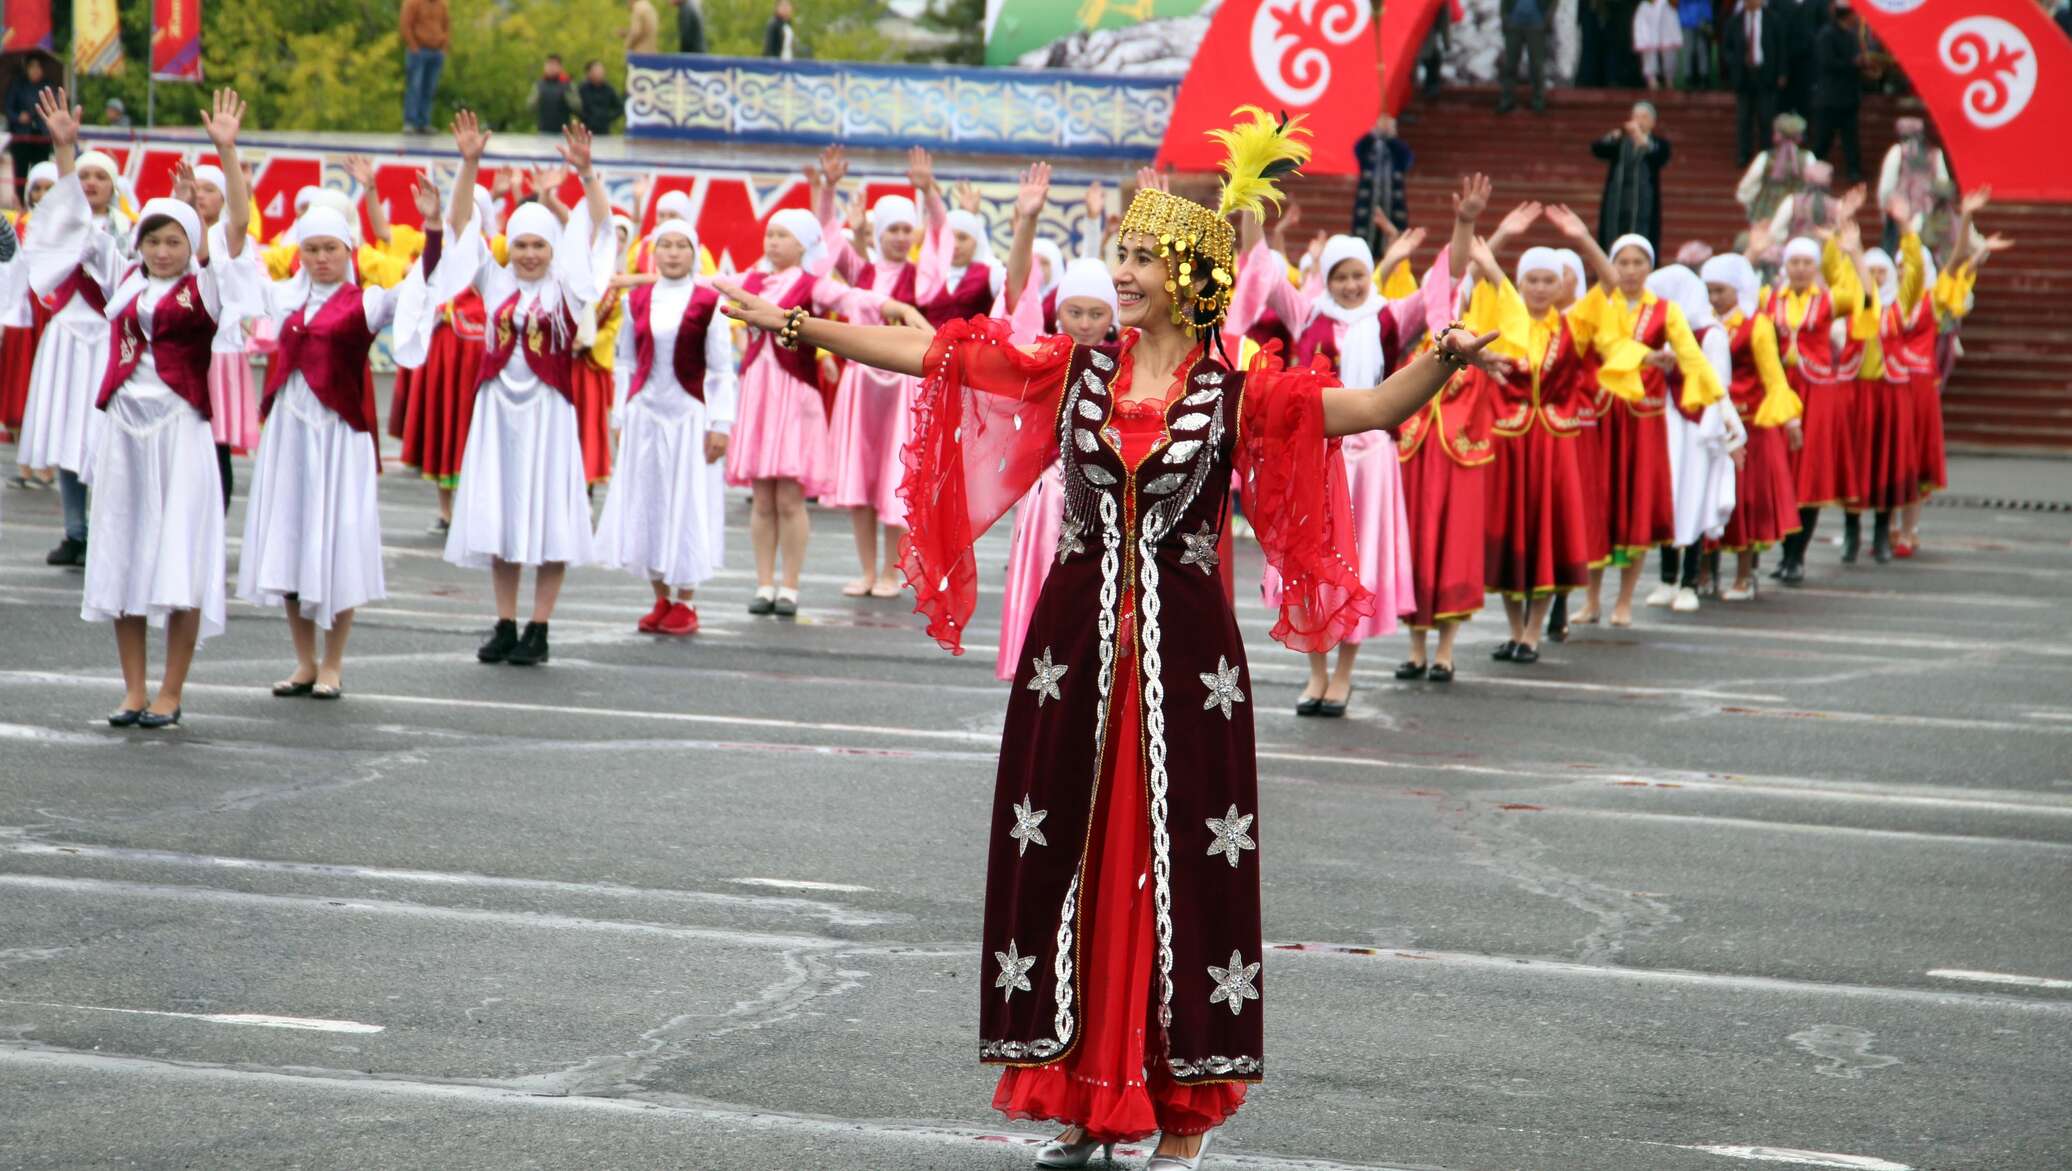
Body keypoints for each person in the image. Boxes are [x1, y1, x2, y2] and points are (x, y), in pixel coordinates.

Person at [717, 106, 1499, 1171]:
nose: (1120, 273)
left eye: (1138, 258)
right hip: (1070, 660)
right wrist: (797, 326)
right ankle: (1085, 1102)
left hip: (1186, 665)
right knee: (1071, 858)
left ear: (1186, 275)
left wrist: (1443, 362)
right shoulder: (1073, 370)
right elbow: (930, 352)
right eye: (1119, 256)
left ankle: (1177, 1120)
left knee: (1177, 863)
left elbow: (1360, 411)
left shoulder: (1239, 391)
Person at [30, 87, 248, 729]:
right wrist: (66, 149)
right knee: (122, 550)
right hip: (123, 428)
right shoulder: (122, 277)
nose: (160, 249)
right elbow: (74, 225)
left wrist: (227, 152)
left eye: (173, 238)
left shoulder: (208, 285)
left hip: (182, 430)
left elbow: (235, 226)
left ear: (190, 242)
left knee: (178, 555)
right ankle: (132, 689)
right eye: (152, 238)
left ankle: (171, 693)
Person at [1231, 194, 1469, 712]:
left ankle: (1344, 673)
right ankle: (1315, 668)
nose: (1350, 285)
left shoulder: (1389, 319)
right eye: (1340, 276)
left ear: (1370, 274)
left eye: (1358, 275)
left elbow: (1444, 283)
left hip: (1370, 461)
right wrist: (1250, 205)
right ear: (1327, 279)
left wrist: (1465, 223)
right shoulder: (1305, 314)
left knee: (1355, 566)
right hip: (1310, 456)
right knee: (1308, 562)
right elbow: (1262, 269)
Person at [225, 166, 441, 701]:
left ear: (349, 251)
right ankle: (303, 660)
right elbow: (230, 259)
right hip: (290, 437)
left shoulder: (367, 302)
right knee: (292, 542)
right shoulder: (280, 298)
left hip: (340, 438)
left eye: (332, 249)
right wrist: (229, 163)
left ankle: (334, 663)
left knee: (337, 543)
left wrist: (434, 227)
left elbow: (423, 283)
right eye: (313, 248)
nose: (321, 258)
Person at [416, 112, 614, 667]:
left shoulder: (572, 291)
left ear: (553, 248)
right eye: (521, 244)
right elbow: (458, 233)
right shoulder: (496, 278)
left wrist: (587, 175)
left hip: (549, 415)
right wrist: (469, 164)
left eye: (539, 245)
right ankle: (504, 622)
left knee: (549, 518)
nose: (529, 253)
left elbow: (601, 234)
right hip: (497, 414)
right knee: (501, 518)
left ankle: (540, 627)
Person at [1564, 217, 1725, 627]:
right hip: (1601, 418)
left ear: (1649, 268)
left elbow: (1691, 357)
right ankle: (1593, 599)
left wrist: (1717, 401)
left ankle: (1625, 600)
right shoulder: (1603, 304)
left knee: (1633, 507)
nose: (1630, 269)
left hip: (1641, 421)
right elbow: (1590, 344)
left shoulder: (1666, 311)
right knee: (1597, 506)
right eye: (1622, 261)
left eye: (1638, 262)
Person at [591, 217, 736, 637]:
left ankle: (686, 599)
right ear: (654, 252)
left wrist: (720, 423)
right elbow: (626, 361)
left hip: (690, 416)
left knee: (687, 502)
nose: (673, 253)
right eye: (665, 245)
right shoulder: (636, 299)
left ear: (694, 253)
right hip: (645, 415)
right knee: (648, 502)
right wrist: (621, 414)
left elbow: (722, 369)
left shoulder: (709, 302)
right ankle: (660, 595)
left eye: (682, 246)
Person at [812, 145, 929, 598]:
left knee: (896, 480)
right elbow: (826, 237)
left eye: (906, 229)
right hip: (861, 386)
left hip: (903, 387)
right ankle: (866, 569)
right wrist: (828, 189)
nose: (900, 237)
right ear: (877, 232)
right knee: (861, 477)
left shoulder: (920, 277)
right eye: (892, 229)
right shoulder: (861, 271)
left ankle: (890, 571)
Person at [19, 132, 129, 568]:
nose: (90, 183)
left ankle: (105, 533)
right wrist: (65, 151)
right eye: (83, 176)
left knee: (102, 440)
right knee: (68, 434)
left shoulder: (129, 230)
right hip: (68, 337)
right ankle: (74, 532)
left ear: (113, 185)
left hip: (106, 339)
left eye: (100, 176)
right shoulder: (59, 224)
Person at [1769, 198, 1864, 584]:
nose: (1801, 269)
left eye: (1807, 263)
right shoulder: (1769, 300)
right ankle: (1784, 553)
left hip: (1817, 393)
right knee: (1780, 471)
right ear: (1785, 266)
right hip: (1781, 390)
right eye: (1794, 262)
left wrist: (1847, 246)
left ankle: (1797, 556)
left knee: (1807, 472)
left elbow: (1858, 291)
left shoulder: (1827, 301)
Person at [1642, 263, 1745, 613]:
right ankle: (1667, 578)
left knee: (1695, 499)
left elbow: (1719, 385)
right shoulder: (1664, 333)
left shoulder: (1711, 333)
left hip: (1698, 428)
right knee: (1669, 498)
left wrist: (1712, 433)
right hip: (1667, 423)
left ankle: (1689, 581)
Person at [1700, 251, 1801, 599]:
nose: (1713, 299)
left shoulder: (1756, 324)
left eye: (1720, 291)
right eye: (1708, 290)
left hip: (1751, 425)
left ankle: (1745, 575)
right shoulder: (1702, 321)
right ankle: (1703, 573)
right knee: (1709, 497)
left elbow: (1774, 375)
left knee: (1748, 502)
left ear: (1738, 289)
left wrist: (1790, 419)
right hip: (1713, 423)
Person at [187, 162, 261, 509]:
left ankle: (215, 522)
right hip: (183, 350)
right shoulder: (173, 235)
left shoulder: (231, 239)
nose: (200, 195)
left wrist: (226, 154)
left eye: (208, 190)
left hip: (220, 352)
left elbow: (207, 258)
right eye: (196, 188)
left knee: (216, 447)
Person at [2, 160, 58, 489]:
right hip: (23, 313)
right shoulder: (19, 225)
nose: (41, 194)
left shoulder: (68, 228)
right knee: (19, 384)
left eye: (49, 188)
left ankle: (47, 464)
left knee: (48, 385)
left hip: (51, 313)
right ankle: (25, 463)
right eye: (36, 188)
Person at [1592, 102, 1672, 257]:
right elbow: (1597, 149)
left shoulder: (1658, 144)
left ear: (1652, 122)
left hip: (1643, 205)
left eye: (1644, 117)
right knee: (1611, 239)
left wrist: (1642, 140)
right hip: (1617, 203)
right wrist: (1612, 137)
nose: (1639, 120)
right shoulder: (1620, 140)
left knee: (1642, 239)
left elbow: (1661, 157)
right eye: (1636, 116)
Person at [1723, 0, 1787, 167]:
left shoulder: (1773, 19)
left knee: (1766, 117)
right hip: (1743, 76)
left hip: (1766, 74)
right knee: (1744, 118)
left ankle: (1766, 154)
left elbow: (1781, 47)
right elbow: (1727, 48)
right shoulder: (1735, 21)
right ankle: (1744, 153)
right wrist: (1736, 61)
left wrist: (1781, 72)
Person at [1809, 0, 1863, 183]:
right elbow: (1826, 62)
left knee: (1851, 138)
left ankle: (1854, 170)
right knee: (1823, 138)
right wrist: (1852, 64)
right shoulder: (1826, 35)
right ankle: (1813, 169)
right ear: (1847, 15)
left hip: (1849, 97)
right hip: (1829, 98)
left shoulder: (1852, 35)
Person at [1876, 118, 1946, 254]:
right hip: (1928, 215)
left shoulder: (1898, 152)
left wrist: (1885, 208)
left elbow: (1886, 188)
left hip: (1900, 215)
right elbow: (1943, 186)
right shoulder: (1935, 154)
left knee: (1896, 254)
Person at [1734, 112, 1814, 227]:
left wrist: (1749, 202)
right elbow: (1813, 184)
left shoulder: (1765, 157)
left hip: (1765, 213)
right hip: (1796, 212)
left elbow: (1748, 184)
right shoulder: (1807, 157)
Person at [1351, 114, 1412, 252]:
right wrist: (1373, 134)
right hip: (1368, 206)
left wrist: (1391, 138)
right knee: (1365, 244)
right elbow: (1357, 150)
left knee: (1392, 242)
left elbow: (1407, 160)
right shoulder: (1369, 145)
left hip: (1392, 205)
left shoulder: (1397, 148)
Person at [400, 0, 450, 134]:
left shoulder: (442, 4)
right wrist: (414, 47)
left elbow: (446, 26)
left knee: (430, 89)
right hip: (419, 51)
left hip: (436, 52)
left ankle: (423, 122)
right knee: (414, 87)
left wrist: (444, 48)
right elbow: (405, 25)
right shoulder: (413, 3)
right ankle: (410, 122)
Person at [1774, 0, 1829, 118]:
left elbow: (1824, 25)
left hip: (1809, 63)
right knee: (1783, 106)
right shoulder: (1777, 2)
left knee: (1807, 105)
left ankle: (1807, 134)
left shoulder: (1819, 3)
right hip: (1784, 61)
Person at [6, 59, 52, 195]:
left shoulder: (48, 86)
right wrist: (18, 117)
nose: (35, 70)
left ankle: (41, 198)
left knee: (41, 171)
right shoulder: (17, 85)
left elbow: (52, 108)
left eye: (38, 67)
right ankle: (20, 201)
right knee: (20, 172)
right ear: (26, 68)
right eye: (32, 67)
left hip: (42, 136)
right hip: (22, 135)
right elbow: (9, 109)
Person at [1497, 0, 1551, 114]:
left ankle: (1538, 100)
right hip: (1514, 22)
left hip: (1536, 22)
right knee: (1510, 65)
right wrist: (1504, 17)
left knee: (1537, 65)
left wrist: (1547, 18)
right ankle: (1507, 99)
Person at [1632, 0, 1684, 90]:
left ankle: (1669, 80)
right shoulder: (1644, 6)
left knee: (1670, 53)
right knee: (1648, 50)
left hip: (1666, 23)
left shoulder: (1667, 4)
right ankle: (1652, 80)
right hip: (1649, 23)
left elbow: (1675, 5)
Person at [530, 55, 575, 135]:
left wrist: (567, 94)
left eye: (554, 65)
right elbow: (530, 106)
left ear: (560, 67)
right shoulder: (539, 84)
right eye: (549, 65)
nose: (551, 68)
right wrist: (536, 97)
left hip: (563, 132)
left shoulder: (567, 84)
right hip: (543, 131)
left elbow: (577, 107)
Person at [1678, 0, 1715, 89]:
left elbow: (1706, 5)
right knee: (1688, 51)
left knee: (1702, 50)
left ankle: (1704, 78)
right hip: (1687, 23)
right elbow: (1681, 5)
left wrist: (1708, 19)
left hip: (1701, 23)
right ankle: (1688, 79)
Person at [578, 61, 620, 136]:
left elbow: (619, 107)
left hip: (604, 131)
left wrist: (608, 118)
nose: (599, 73)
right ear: (589, 73)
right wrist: (586, 117)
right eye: (596, 70)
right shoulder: (582, 88)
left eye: (601, 71)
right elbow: (576, 107)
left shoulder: (609, 89)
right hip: (586, 130)